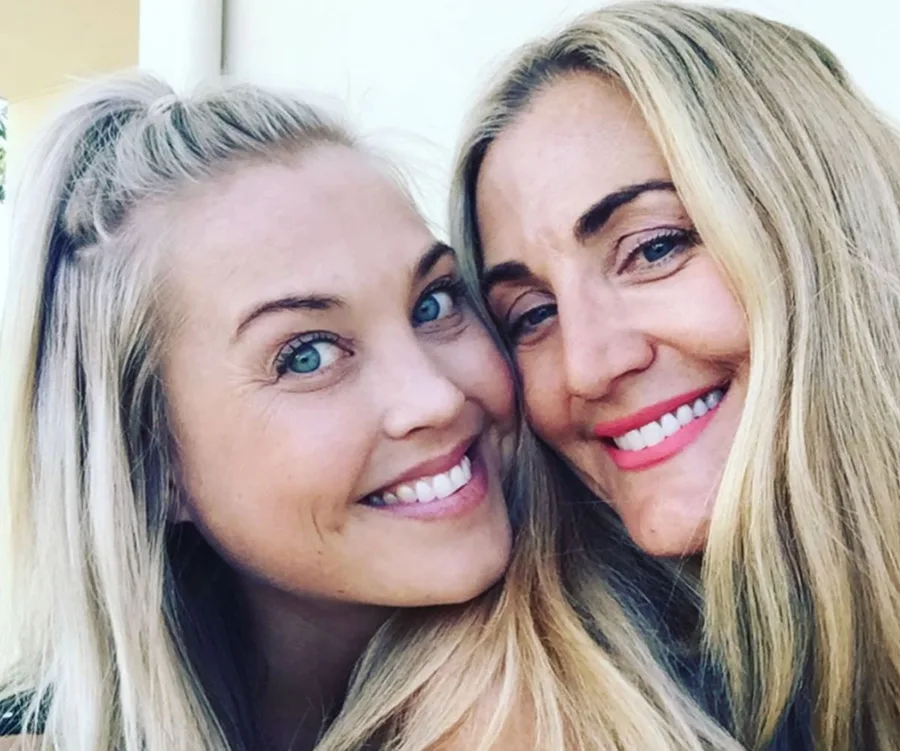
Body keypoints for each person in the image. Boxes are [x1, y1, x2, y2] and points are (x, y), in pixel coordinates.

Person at [0, 73, 739, 750]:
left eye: (434, 303)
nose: (438, 397)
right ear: (149, 461)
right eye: (308, 355)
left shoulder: (677, 676)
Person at [452, 2, 900, 749]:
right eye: (531, 314)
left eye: (654, 248)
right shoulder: (525, 713)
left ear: (817, 227)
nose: (588, 365)